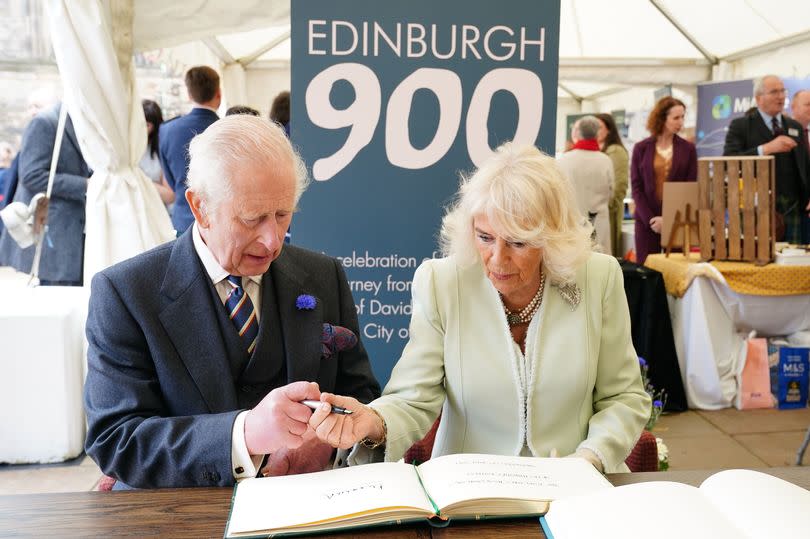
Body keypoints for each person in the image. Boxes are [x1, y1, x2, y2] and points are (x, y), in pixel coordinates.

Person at [308, 142, 651, 474]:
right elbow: (414, 398)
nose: (498, 259)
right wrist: (372, 421)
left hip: (573, 484)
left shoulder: (598, 277)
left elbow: (623, 397)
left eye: (518, 242)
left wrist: (589, 459)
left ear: (552, 238)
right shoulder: (442, 283)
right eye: (485, 237)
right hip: (468, 492)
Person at [84, 115, 380, 489]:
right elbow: (116, 439)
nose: (273, 240)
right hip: (180, 518)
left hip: (308, 510)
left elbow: (362, 396)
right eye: (252, 219)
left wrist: (329, 442)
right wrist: (244, 435)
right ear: (199, 208)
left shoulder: (323, 276)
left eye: (283, 214)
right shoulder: (126, 294)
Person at [0, 102, 91, 285]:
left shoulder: (82, 123)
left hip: (71, 235)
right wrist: (86, 185)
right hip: (51, 233)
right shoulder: (45, 123)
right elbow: (31, 175)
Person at [724, 76, 809, 244]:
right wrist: (765, 149)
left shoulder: (795, 127)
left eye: (783, 91)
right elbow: (729, 162)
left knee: (793, 264)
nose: (781, 96)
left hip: (793, 207)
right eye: (774, 92)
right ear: (758, 98)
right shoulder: (741, 126)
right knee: (758, 258)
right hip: (755, 208)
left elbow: (806, 167)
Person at [631, 97, 697, 264]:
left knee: (677, 270)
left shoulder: (688, 149)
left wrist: (669, 220)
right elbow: (636, 187)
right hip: (647, 222)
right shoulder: (641, 148)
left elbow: (690, 187)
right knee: (647, 271)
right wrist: (651, 220)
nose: (681, 122)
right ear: (662, 118)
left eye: (683, 117)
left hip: (677, 221)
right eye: (676, 118)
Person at [159, 65, 221, 234]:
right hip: (219, 222)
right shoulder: (227, 129)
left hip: (182, 220)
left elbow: (170, 181)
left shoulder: (167, 130)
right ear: (218, 93)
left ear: (189, 94)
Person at [557, 115, 614, 253]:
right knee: (600, 262)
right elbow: (611, 193)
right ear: (597, 133)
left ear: (577, 133)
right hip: (599, 223)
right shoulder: (605, 160)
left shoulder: (564, 160)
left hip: (572, 222)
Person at [596, 113, 629, 258]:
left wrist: (606, 208)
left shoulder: (616, 151)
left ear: (609, 129)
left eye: (600, 127)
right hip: (596, 213)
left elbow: (619, 186)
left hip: (609, 214)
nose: (596, 130)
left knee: (606, 255)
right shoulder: (598, 150)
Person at [139, 99, 174, 206]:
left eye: (146, 125)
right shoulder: (128, 149)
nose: (140, 128)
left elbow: (170, 196)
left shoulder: (160, 150)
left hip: (156, 209)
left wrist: (138, 180)